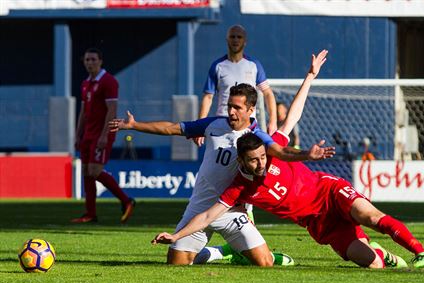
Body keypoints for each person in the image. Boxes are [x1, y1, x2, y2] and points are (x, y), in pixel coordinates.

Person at [153, 61, 424, 271]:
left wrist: (310, 77)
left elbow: (292, 117)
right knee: (374, 265)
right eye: (253, 160)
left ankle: (422, 253)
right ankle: (380, 253)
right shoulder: (240, 188)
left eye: (263, 157)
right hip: (318, 223)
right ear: (241, 162)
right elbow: (206, 216)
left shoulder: (274, 150)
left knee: (372, 218)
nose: (261, 163)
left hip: (329, 192)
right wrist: (176, 235)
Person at [110, 50, 332, 266]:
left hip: (232, 209)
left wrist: (308, 155)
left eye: (237, 108)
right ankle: (220, 253)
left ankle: (249, 252)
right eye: (229, 106)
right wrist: (135, 125)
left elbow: (282, 151)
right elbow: (171, 128)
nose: (231, 112)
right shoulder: (213, 124)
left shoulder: (256, 138)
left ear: (251, 109)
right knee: (176, 263)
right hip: (201, 206)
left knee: (265, 263)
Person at [72, 48, 135, 224]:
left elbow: (112, 110)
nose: (89, 63)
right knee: (86, 172)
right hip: (88, 135)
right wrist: (78, 134)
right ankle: (90, 213)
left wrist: (105, 135)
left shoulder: (109, 81)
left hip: (101, 134)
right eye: (87, 60)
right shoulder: (86, 83)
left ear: (100, 61)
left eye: (93, 59)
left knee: (95, 170)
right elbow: (83, 111)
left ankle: (126, 200)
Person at [194, 24, 278, 149]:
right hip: (222, 122)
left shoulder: (254, 65)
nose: (235, 40)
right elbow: (208, 97)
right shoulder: (218, 66)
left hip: (247, 124)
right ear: (227, 39)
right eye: (232, 37)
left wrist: (273, 121)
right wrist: (199, 126)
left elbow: (268, 93)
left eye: (239, 37)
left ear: (245, 41)